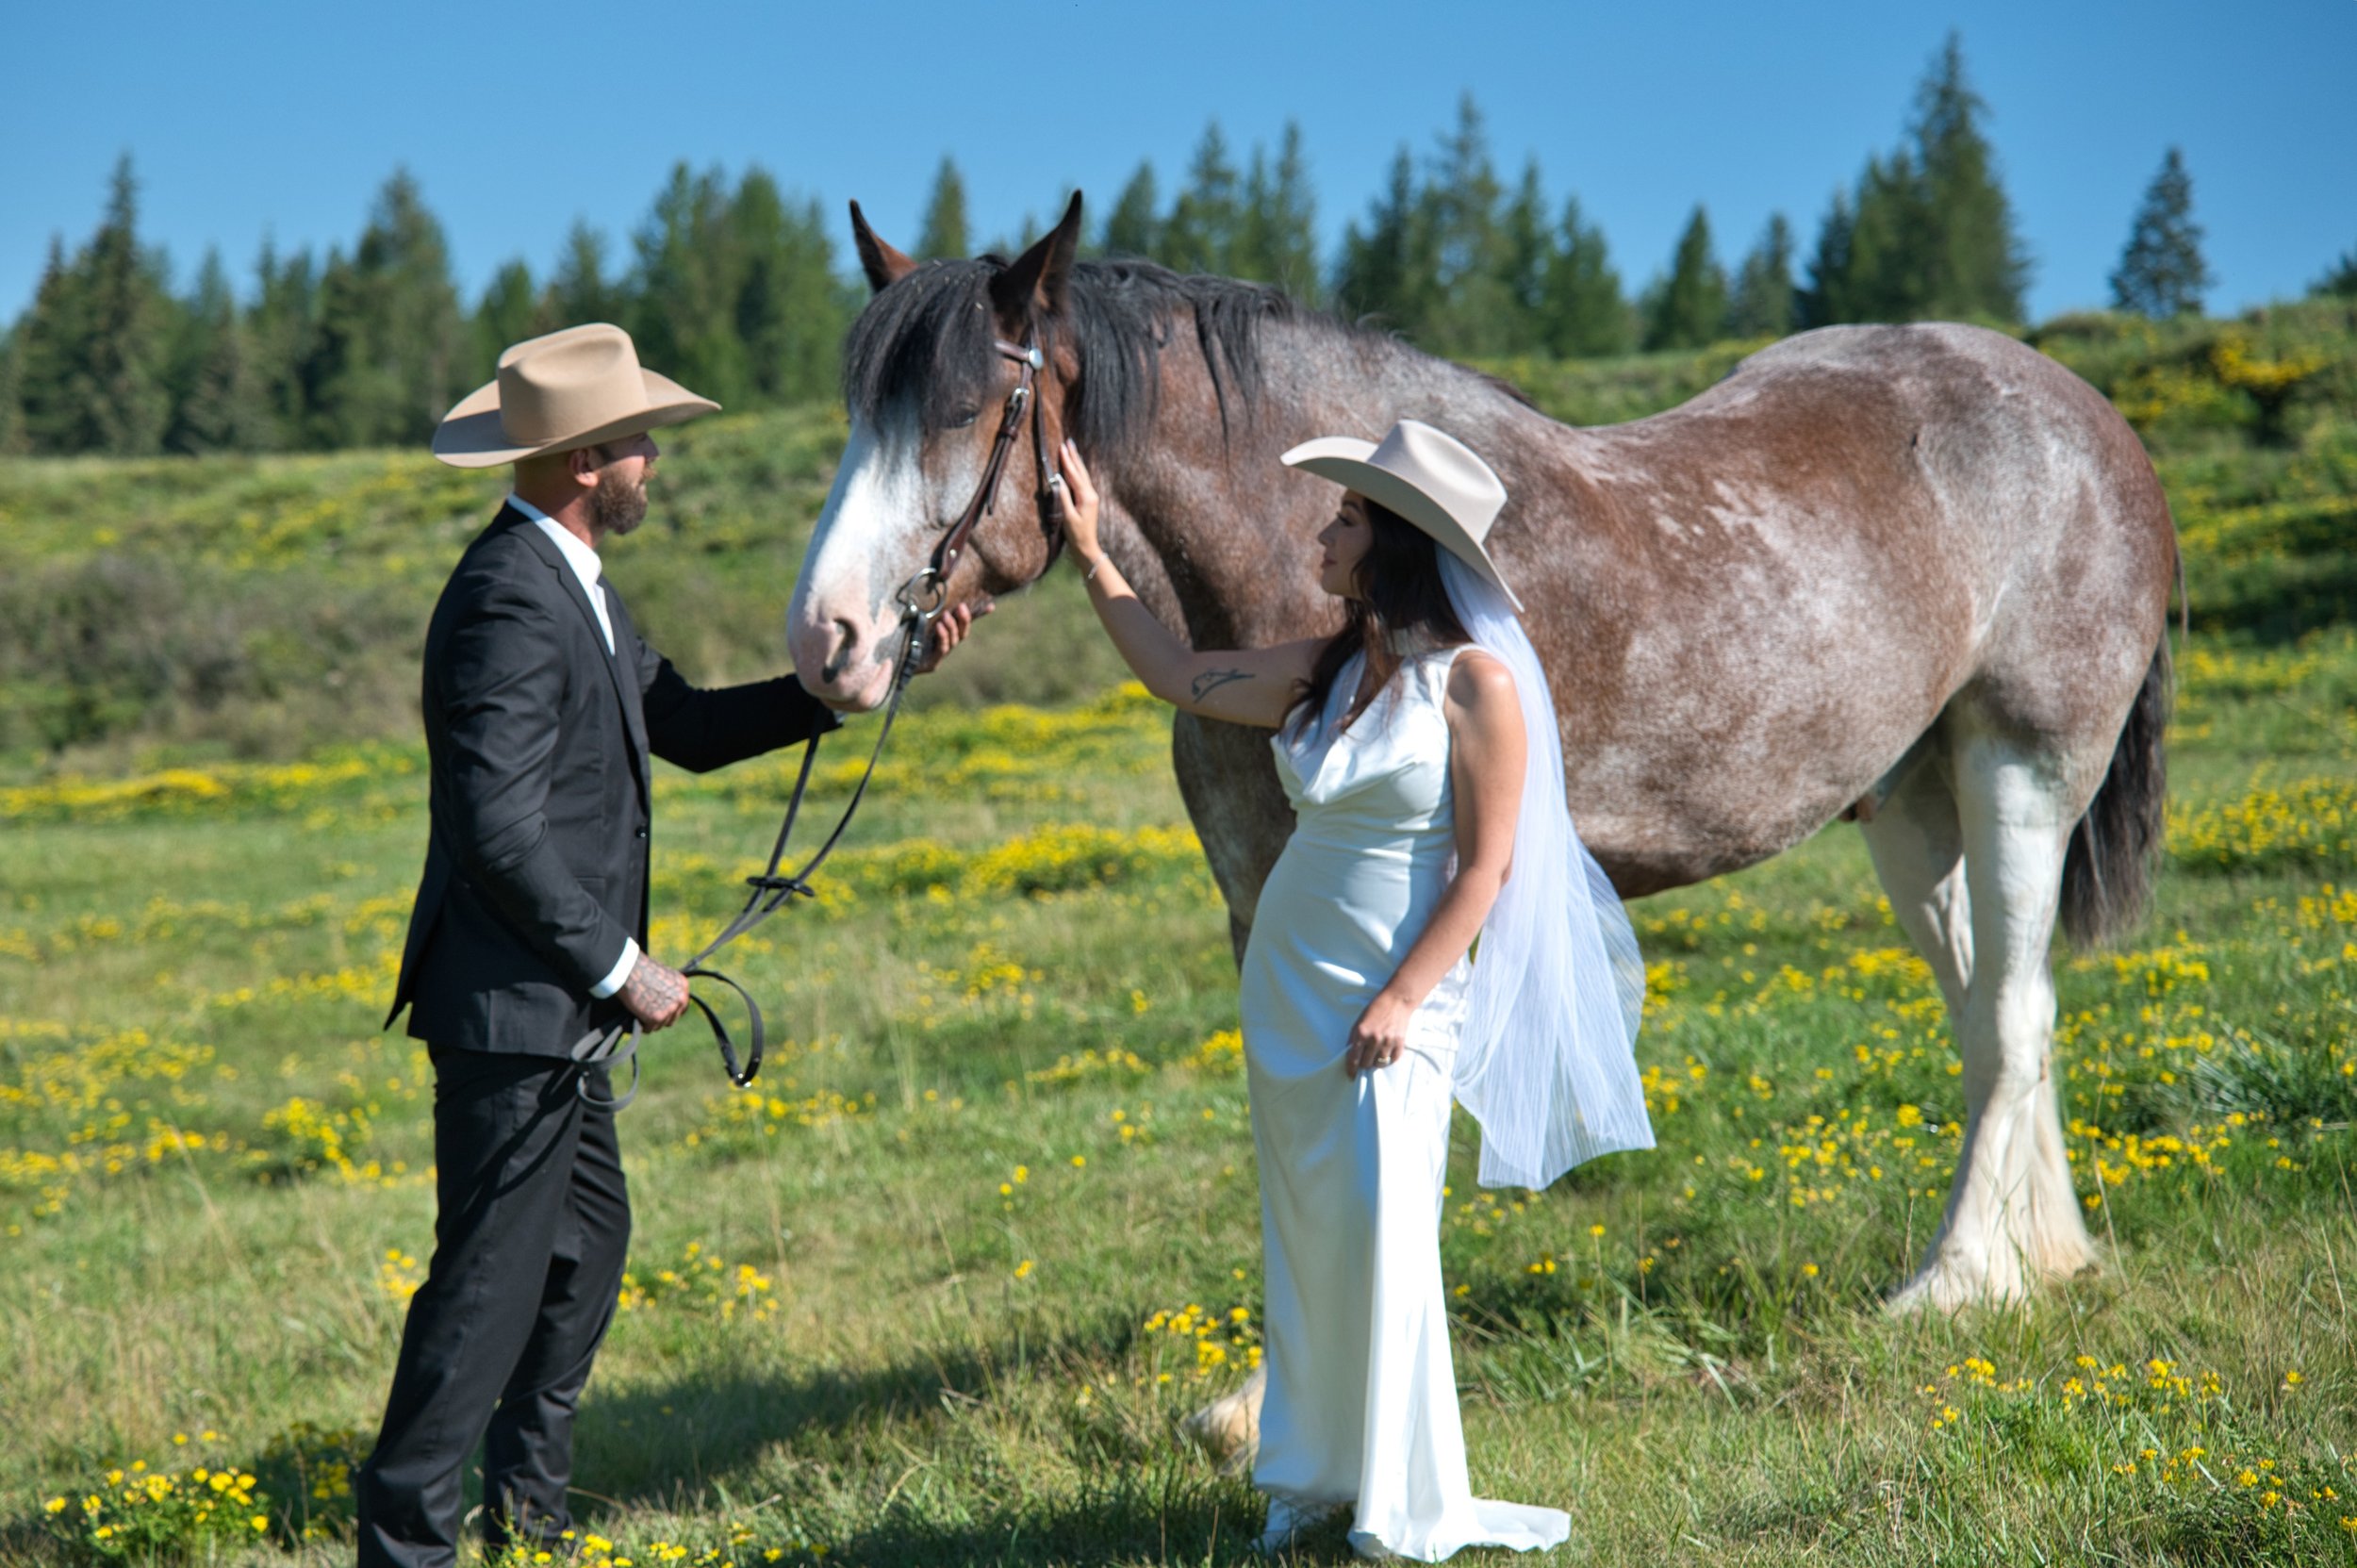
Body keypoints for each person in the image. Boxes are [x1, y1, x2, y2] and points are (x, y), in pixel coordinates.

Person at [361, 322, 977, 1568]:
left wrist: (859, 677)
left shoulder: (571, 578)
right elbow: (494, 826)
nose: (655, 459)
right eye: (640, 440)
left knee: (583, 1247)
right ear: (588, 458)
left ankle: (526, 1518)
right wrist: (618, 964)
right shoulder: (506, 598)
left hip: (552, 1011)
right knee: (484, 1289)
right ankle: (405, 1546)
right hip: (518, 1007)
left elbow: (684, 723)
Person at [1055, 420, 1652, 1559]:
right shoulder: (1322, 667)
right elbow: (1172, 675)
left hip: (1392, 999)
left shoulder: (1476, 685)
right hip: (1289, 992)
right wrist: (1091, 552)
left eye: (1345, 517)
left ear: (1400, 543)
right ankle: (1315, 1474)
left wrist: (1403, 998)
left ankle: (1402, 1494)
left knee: (1386, 1232)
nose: (1323, 533)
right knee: (1311, 1232)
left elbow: (1487, 868)